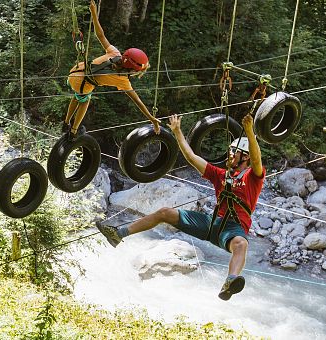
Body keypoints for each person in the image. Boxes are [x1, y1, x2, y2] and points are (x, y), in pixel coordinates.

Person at [97, 114, 265, 301]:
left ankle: (230, 281)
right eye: (231, 150)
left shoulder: (253, 177)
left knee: (241, 244)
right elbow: (192, 158)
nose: (230, 154)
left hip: (234, 229)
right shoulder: (220, 174)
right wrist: (177, 132)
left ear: (245, 156)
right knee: (164, 213)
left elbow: (257, 160)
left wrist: (249, 131)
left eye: (234, 152)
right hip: (212, 223)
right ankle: (118, 233)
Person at [65, 0, 161, 138]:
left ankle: (66, 121)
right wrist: (152, 119)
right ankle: (73, 131)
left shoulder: (115, 53)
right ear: (132, 70)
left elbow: (100, 35)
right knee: (85, 100)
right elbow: (138, 102)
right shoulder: (123, 81)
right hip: (82, 84)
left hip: (73, 73)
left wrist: (93, 13)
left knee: (78, 96)